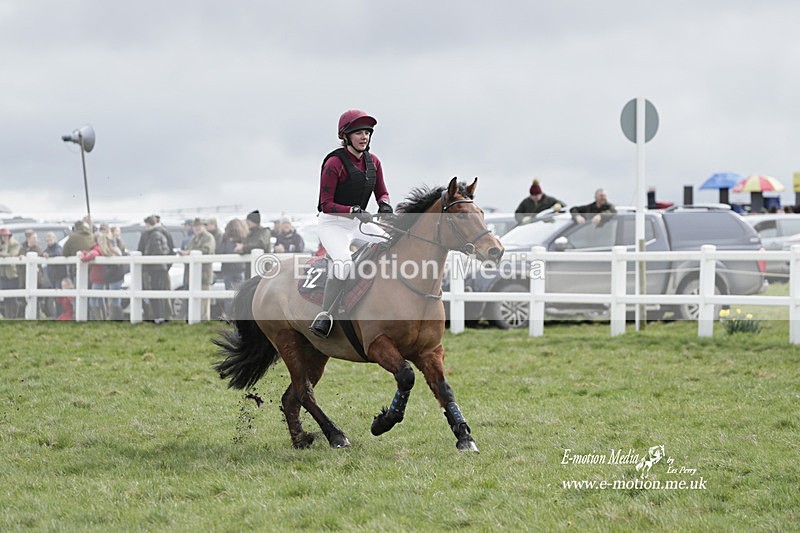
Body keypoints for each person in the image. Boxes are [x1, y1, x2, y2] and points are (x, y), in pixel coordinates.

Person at [309, 109, 393, 338]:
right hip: (333, 224)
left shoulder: (373, 162)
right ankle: (325, 315)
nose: (364, 137)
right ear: (346, 136)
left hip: (358, 223)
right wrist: (353, 209)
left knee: (390, 244)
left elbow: (382, 192)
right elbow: (325, 204)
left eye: (367, 132)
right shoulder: (334, 163)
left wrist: (385, 204)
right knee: (344, 262)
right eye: (358, 133)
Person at [79, 232, 123, 320]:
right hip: (110, 277)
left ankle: (101, 319)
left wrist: (83, 257)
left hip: (104, 278)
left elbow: (92, 254)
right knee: (110, 300)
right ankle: (108, 318)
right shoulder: (112, 250)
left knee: (98, 300)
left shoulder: (101, 250)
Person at [180, 218, 216, 320]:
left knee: (203, 303)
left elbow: (206, 250)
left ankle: (203, 321)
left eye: (199, 227)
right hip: (193, 274)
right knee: (194, 301)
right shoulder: (193, 238)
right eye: (195, 227)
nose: (197, 229)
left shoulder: (208, 237)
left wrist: (189, 252)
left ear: (204, 227)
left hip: (203, 274)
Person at [140, 215, 172, 324]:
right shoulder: (163, 232)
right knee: (160, 292)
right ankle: (161, 316)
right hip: (161, 268)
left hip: (155, 268)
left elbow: (155, 252)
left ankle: (158, 317)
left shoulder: (153, 235)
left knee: (156, 292)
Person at [216, 218, 248, 316]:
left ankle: (233, 316)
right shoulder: (226, 239)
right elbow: (219, 252)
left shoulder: (242, 239)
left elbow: (219, 251)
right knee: (232, 295)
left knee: (234, 295)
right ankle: (233, 316)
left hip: (235, 270)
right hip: (235, 270)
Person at [235, 210, 272, 277]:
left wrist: (243, 248)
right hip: (249, 269)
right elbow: (246, 248)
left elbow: (261, 245)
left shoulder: (264, 232)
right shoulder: (249, 234)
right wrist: (241, 250)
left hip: (263, 268)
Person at [0, 227, 22, 319]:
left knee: (13, 298)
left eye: (6, 235)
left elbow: (13, 254)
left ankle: (13, 316)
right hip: (2, 275)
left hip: (13, 274)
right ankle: (7, 316)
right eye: (3, 236)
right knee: (5, 298)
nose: (5, 237)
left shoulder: (15, 244)